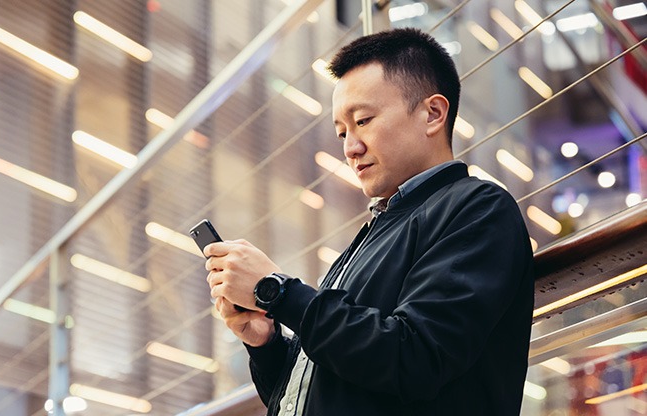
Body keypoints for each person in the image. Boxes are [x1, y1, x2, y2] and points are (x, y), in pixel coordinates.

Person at [205, 28, 534, 415]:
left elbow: (416, 359)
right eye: (342, 131)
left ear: (432, 113)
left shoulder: (478, 208)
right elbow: (320, 391)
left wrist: (277, 292)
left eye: (363, 121)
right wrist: (266, 343)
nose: (349, 147)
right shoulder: (374, 233)